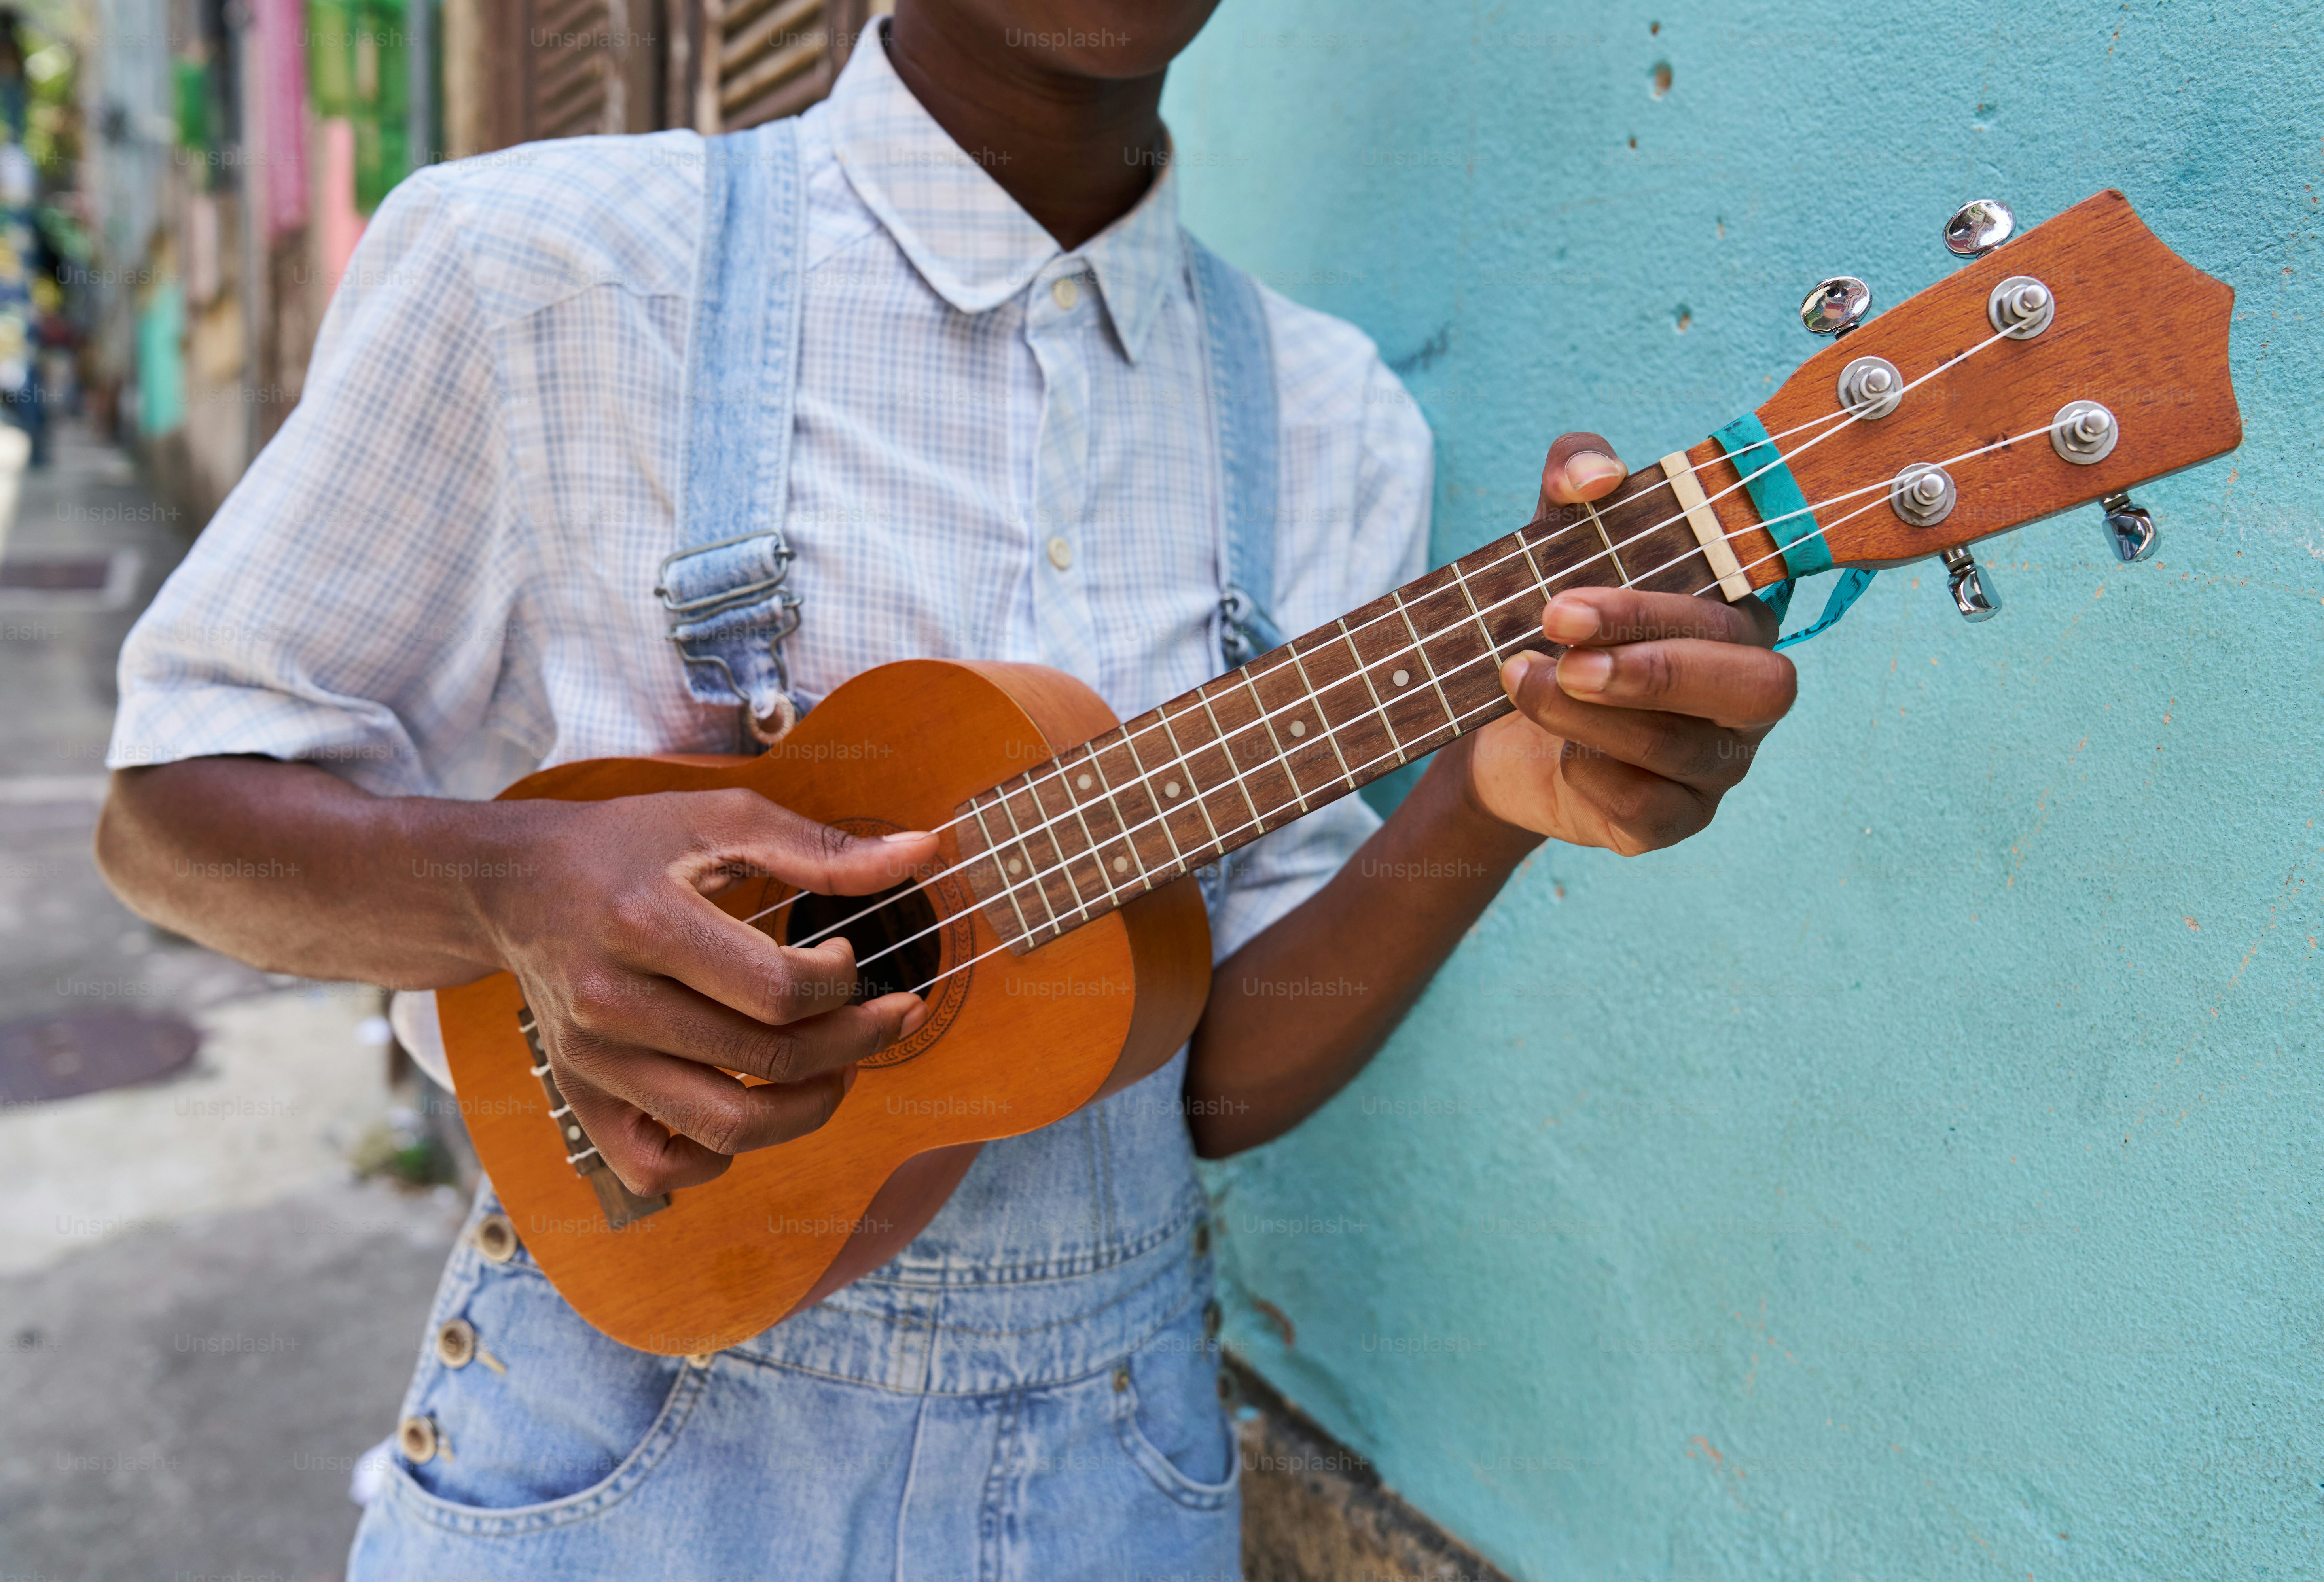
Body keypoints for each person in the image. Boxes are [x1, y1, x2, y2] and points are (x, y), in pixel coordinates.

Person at [93, 1, 1797, 1575]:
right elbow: (172, 809)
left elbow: (1202, 1073)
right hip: (612, 1451)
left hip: (1105, 1479)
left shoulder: (1331, 421)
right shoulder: (543, 268)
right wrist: (509, 889)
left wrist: (1493, 799)